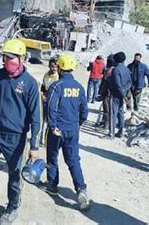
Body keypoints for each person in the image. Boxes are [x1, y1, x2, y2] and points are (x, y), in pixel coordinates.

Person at [0, 39, 41, 225]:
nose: (8, 61)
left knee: (14, 178)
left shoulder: (30, 84)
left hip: (16, 139)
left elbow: (37, 117)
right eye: (6, 57)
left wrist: (34, 145)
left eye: (12, 58)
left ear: (22, 58)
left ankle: (12, 208)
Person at [41, 54, 90, 210]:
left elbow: (51, 107)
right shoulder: (79, 87)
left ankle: (52, 186)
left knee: (52, 158)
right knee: (73, 160)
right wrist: (78, 123)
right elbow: (84, 110)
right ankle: (81, 188)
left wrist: (53, 125)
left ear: (60, 68)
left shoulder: (57, 86)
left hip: (57, 130)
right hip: (72, 130)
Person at [108, 52, 132, 138]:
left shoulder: (116, 70)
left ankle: (111, 134)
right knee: (121, 113)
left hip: (115, 94)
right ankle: (121, 132)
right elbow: (129, 82)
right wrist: (125, 93)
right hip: (123, 94)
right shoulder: (127, 69)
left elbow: (117, 84)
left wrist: (122, 94)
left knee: (113, 113)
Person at [40, 58, 59, 146]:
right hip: (46, 98)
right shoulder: (46, 75)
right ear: (49, 66)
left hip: (54, 99)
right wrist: (42, 95)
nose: (53, 68)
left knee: (51, 120)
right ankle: (41, 138)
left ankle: (48, 139)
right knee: (43, 120)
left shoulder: (58, 76)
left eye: (55, 67)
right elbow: (43, 87)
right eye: (52, 66)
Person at [96, 54, 115, 128]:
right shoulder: (110, 69)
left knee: (107, 110)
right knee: (107, 109)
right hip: (109, 92)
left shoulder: (110, 70)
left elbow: (105, 82)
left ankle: (106, 125)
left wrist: (101, 93)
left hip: (107, 92)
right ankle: (106, 122)